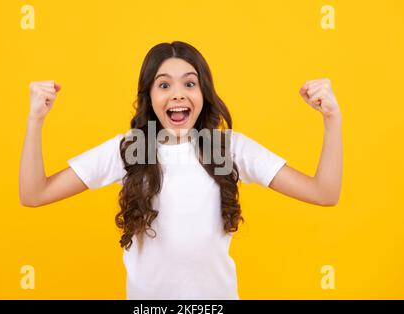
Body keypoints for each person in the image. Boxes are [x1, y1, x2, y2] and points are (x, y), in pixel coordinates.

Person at [19, 41, 343, 300]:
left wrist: (332, 119)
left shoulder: (226, 148)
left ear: (203, 93)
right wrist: (35, 120)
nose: (177, 93)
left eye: (190, 83)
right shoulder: (133, 149)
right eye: (164, 85)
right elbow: (34, 194)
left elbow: (323, 193)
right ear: (149, 96)